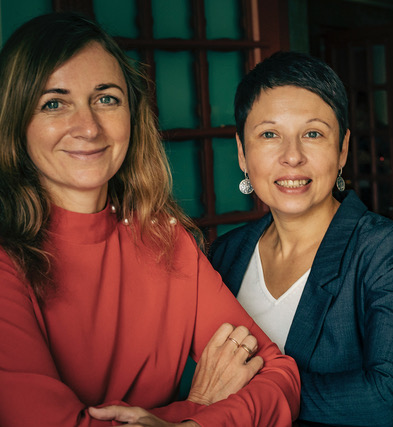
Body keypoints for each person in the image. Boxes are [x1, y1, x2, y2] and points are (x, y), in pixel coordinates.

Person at [0, 12, 300, 427]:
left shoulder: (164, 240)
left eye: (107, 98)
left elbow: (280, 375)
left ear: (131, 115)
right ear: (16, 123)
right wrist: (195, 407)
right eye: (54, 103)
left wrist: (193, 424)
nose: (87, 127)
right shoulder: (5, 264)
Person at [206, 51, 393, 426]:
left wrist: (252, 397)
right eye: (269, 135)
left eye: (312, 134)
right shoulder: (226, 255)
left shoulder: (386, 251)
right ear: (243, 153)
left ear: (342, 149)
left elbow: (390, 400)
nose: (292, 157)